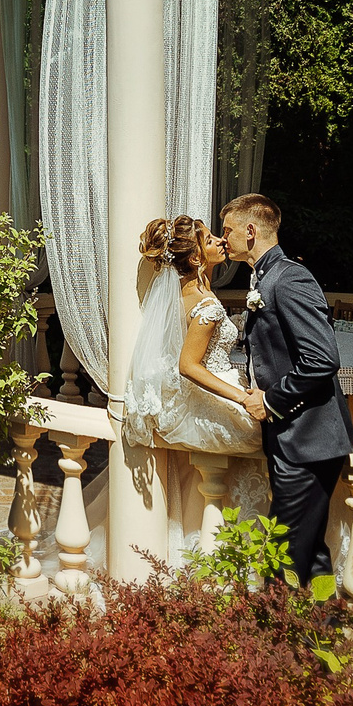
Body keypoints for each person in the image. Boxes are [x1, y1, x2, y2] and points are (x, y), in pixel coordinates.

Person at [219, 193, 353, 584]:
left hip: (309, 439)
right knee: (308, 552)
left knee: (285, 556)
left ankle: (277, 638)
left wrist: (271, 400)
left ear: (250, 230)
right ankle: (322, 628)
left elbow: (322, 359)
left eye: (227, 231)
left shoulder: (290, 277)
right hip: (291, 439)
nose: (222, 239)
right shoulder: (263, 277)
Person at [129, 214, 271, 522]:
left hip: (212, 383)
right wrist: (241, 398)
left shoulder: (194, 290)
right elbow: (189, 365)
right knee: (268, 430)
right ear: (195, 257)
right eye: (210, 240)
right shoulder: (206, 304)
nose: (221, 240)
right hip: (214, 390)